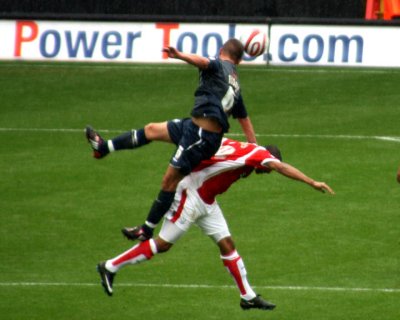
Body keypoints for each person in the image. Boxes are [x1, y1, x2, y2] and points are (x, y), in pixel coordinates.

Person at [96, 138, 334, 311]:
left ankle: (247, 296)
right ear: (268, 159)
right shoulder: (259, 157)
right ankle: (110, 266)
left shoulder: (246, 150)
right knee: (163, 243)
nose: (267, 172)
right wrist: (311, 182)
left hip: (207, 201)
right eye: (267, 169)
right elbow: (280, 167)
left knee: (227, 244)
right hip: (190, 195)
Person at [86, 38, 257, 242]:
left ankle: (146, 229)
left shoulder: (219, 64)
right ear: (238, 61)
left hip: (200, 136)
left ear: (221, 51)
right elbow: (243, 118)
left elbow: (203, 62)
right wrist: (254, 148)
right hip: (193, 127)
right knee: (151, 130)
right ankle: (103, 148)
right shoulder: (235, 82)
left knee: (169, 180)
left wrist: (181, 55)